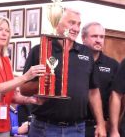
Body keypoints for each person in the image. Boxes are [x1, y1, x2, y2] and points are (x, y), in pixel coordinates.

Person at [20, 8, 106, 137]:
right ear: (56, 23)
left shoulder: (86, 53)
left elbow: (93, 91)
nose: (76, 28)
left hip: (76, 129)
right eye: (71, 23)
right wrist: (41, 83)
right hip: (44, 127)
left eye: (78, 24)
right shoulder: (40, 50)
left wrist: (100, 124)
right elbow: (23, 89)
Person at [81, 22, 119, 137]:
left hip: (102, 126)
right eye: (94, 36)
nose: (98, 40)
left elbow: (117, 97)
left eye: (101, 37)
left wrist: (113, 127)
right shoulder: (76, 60)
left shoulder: (113, 65)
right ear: (83, 38)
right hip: (76, 125)